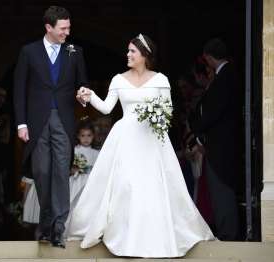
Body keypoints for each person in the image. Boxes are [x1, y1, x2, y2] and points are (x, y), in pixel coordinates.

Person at [69, 34, 215, 258]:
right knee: (126, 184)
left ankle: (153, 237)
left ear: (145, 55)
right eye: (127, 51)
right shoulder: (119, 79)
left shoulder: (160, 80)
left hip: (151, 140)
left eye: (132, 52)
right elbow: (107, 108)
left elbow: (167, 112)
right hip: (126, 138)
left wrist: (157, 116)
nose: (127, 55)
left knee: (152, 185)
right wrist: (90, 96)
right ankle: (125, 236)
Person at [13, 6, 88, 248]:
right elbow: (19, 89)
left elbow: (82, 84)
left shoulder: (75, 52)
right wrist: (21, 123)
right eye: (63, 28)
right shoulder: (29, 52)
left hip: (64, 121)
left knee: (60, 174)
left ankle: (58, 229)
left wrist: (83, 95)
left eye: (69, 27)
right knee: (42, 173)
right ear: (49, 27)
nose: (68, 32)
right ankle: (45, 226)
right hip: (36, 122)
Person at [187, 38, 241, 240]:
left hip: (221, 146)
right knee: (218, 190)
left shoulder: (225, 77)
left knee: (221, 190)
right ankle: (225, 231)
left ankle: (228, 235)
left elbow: (212, 113)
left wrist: (197, 131)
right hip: (219, 144)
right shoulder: (226, 76)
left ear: (209, 58)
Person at [64, 119, 99, 238]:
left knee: (88, 205)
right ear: (78, 136)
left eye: (89, 135)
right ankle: (71, 230)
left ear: (93, 136)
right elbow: (67, 166)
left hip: (90, 183)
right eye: (83, 135)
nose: (86, 138)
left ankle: (87, 230)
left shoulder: (97, 153)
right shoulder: (74, 150)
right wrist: (73, 169)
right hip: (76, 181)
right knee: (74, 204)